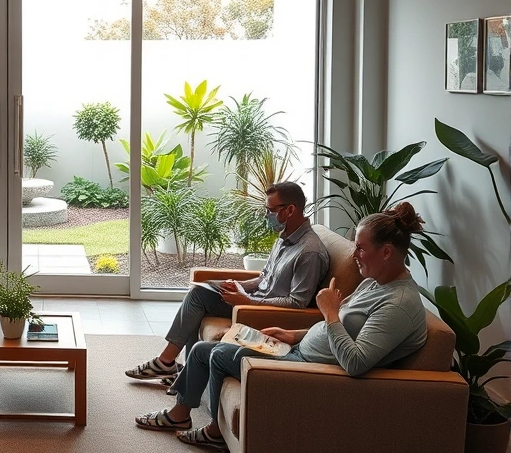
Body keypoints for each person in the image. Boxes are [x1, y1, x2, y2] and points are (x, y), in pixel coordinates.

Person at [134, 202, 429, 450]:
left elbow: (355, 362)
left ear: (387, 252)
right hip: (299, 349)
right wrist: (294, 334)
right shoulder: (376, 283)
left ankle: (209, 430)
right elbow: (336, 328)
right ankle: (191, 417)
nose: (354, 256)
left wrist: (330, 314)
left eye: (361, 248)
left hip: (309, 368)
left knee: (213, 353)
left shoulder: (398, 304)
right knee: (207, 347)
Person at [125, 181, 330, 390]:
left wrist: (248, 301)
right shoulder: (284, 238)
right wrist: (236, 286)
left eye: (270, 210)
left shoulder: (309, 252)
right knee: (200, 293)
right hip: (252, 300)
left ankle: (166, 363)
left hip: (260, 311)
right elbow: (265, 278)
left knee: (198, 298)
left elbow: (297, 303)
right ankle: (174, 366)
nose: (266, 215)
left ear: (290, 210)